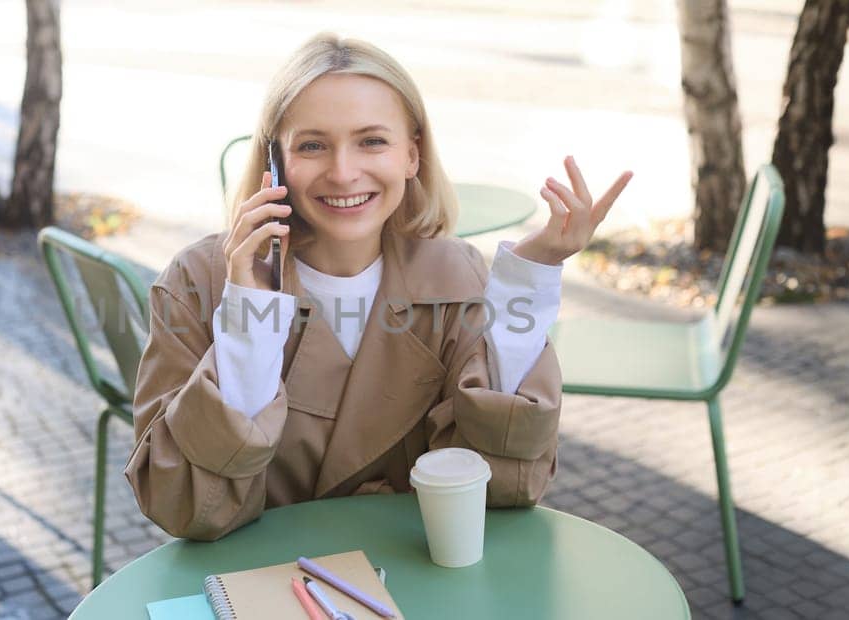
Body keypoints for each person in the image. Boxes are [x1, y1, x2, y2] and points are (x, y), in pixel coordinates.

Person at [124, 32, 632, 540]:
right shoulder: (197, 283)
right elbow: (184, 505)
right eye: (312, 145)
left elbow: (506, 487)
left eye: (372, 141)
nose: (344, 173)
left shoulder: (458, 278)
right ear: (273, 163)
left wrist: (529, 278)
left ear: (412, 156)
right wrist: (249, 315)